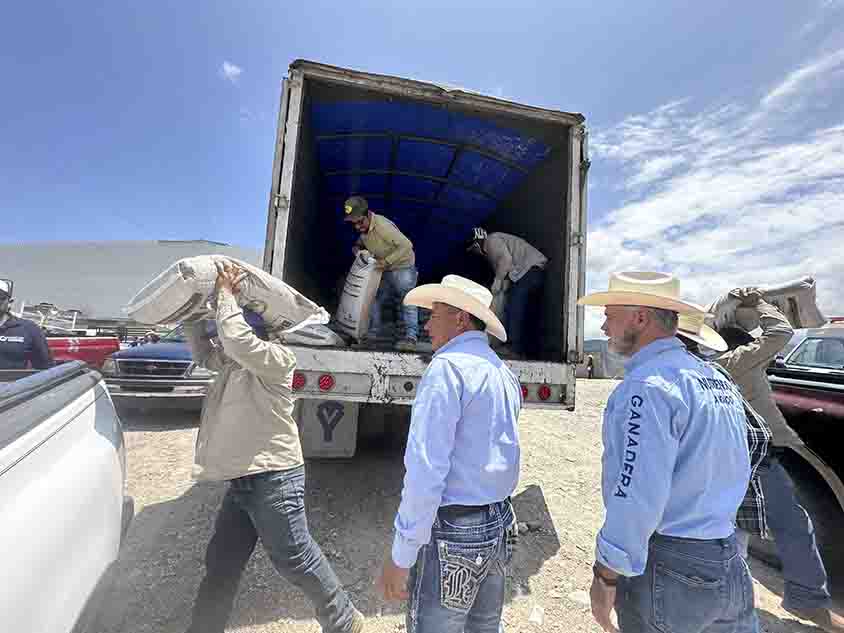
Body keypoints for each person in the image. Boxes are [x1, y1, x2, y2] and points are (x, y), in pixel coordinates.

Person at [183, 261, 363, 633]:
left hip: (274, 478)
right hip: (243, 479)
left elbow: (234, 339)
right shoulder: (232, 364)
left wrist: (227, 297)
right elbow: (205, 351)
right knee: (222, 560)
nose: (227, 332)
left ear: (257, 332)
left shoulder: (277, 360)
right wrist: (191, 312)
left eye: (238, 323)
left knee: (294, 557)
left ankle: (344, 620)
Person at [578, 271, 758, 633]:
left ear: (640, 318)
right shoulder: (715, 379)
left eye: (610, 315)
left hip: (674, 568)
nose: (603, 325)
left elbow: (636, 495)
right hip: (727, 557)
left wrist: (606, 575)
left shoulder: (646, 386)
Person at [376, 275, 521, 633]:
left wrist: (402, 555)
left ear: (460, 319)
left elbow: (426, 469)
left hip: (456, 528)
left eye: (434, 313)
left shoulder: (446, 369)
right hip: (498, 520)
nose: (426, 323)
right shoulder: (502, 372)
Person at [712, 287, 844, 632]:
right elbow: (781, 333)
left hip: (743, 455)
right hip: (755, 457)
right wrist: (759, 304)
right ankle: (800, 602)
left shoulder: (722, 363)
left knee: (754, 529)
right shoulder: (740, 360)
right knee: (780, 527)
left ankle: (797, 600)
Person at [343, 196, 418, 351]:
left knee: (406, 300)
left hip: (402, 266)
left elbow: (407, 245)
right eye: (354, 223)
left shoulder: (383, 226)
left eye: (359, 222)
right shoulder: (365, 228)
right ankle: (371, 335)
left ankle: (410, 338)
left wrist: (386, 262)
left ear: (368, 214)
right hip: (384, 268)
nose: (357, 226)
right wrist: (357, 248)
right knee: (374, 299)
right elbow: (363, 239)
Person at [466, 228, 547, 359]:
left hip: (530, 270)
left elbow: (506, 260)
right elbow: (506, 266)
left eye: (474, 248)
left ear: (477, 242)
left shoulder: (491, 241)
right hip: (534, 271)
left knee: (514, 308)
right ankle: (529, 352)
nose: (475, 252)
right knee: (528, 313)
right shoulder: (493, 246)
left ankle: (513, 348)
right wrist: (503, 280)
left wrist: (498, 280)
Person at [0, 278, 52, 370]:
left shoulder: (29, 329)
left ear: (9, 302)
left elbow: (45, 369)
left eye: (0, 297)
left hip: (13, 384)